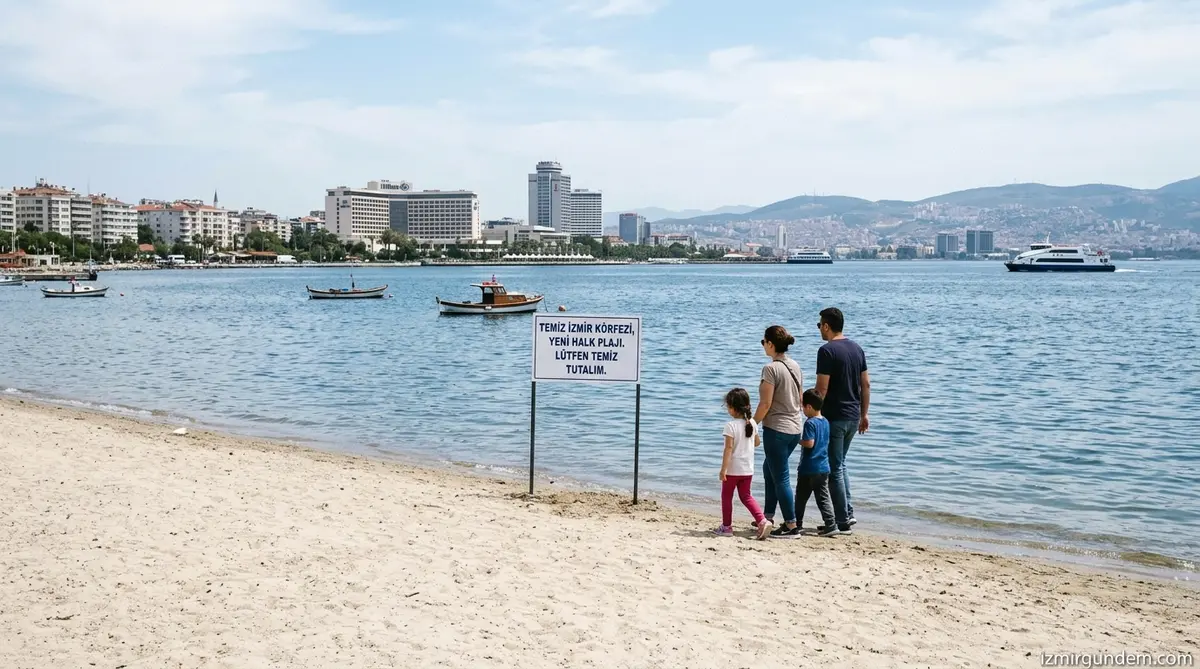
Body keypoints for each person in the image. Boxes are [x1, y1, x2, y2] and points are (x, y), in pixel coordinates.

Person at [814, 307, 870, 533]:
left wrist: (813, 414)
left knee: (834, 467)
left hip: (834, 416)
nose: (819, 329)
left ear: (827, 326)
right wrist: (864, 414)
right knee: (841, 463)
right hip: (853, 415)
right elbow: (865, 384)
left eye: (819, 325)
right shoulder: (857, 348)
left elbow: (822, 389)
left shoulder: (826, 351)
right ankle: (848, 512)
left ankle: (843, 520)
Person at [753, 325, 805, 538]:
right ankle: (768, 516)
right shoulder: (795, 365)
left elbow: (765, 403)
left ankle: (792, 526)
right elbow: (800, 398)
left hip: (776, 430)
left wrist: (752, 423)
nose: (763, 346)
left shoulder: (770, 369)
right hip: (795, 429)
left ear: (771, 344)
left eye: (763, 342)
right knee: (769, 469)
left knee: (781, 476)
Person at [714, 388, 771, 540]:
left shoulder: (730, 426)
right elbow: (757, 442)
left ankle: (726, 527)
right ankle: (762, 520)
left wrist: (723, 470)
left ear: (733, 408)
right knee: (746, 496)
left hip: (733, 470)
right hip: (747, 469)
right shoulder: (752, 423)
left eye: (728, 406)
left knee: (727, 497)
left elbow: (728, 449)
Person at [796, 389, 838, 536]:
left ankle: (797, 523)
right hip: (823, 466)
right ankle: (830, 523)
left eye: (803, 407)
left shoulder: (810, 423)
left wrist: (797, 440)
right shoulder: (825, 421)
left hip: (809, 467)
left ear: (809, 407)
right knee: (823, 498)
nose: (803, 410)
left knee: (801, 498)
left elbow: (809, 443)